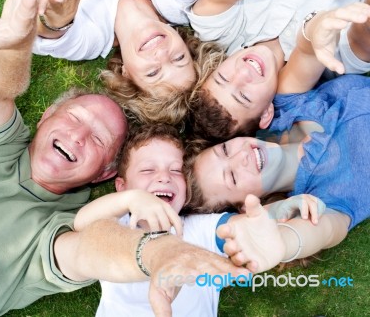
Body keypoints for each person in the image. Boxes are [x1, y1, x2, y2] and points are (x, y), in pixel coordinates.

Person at [0, 0, 249, 316]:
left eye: (98, 139)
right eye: (73, 117)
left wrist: (154, 254)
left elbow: (87, 250)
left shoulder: (64, 225)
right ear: (44, 118)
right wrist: (15, 40)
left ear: (106, 172)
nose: (77, 136)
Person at [73, 123, 324, 317]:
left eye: (175, 170)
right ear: (122, 186)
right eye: (148, 170)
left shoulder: (197, 228)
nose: (164, 177)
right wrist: (131, 200)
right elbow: (82, 225)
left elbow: (241, 228)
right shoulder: (115, 226)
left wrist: (280, 209)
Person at [183, 73, 370, 270]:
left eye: (225, 150)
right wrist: (283, 242)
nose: (241, 157)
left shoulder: (283, 108)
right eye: (232, 177)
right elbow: (325, 231)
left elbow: (307, 57)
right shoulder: (324, 197)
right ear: (245, 208)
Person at [186, 0, 370, 141]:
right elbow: (364, 32)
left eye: (222, 78)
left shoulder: (218, 30)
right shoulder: (333, 60)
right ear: (266, 113)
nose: (243, 73)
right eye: (244, 96)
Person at [33, 0, 218, 126]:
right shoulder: (178, 5)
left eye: (153, 73)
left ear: (126, 74)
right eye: (179, 58)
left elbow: (46, 33)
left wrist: (56, 18)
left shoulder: (92, 40)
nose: (161, 55)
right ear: (185, 45)